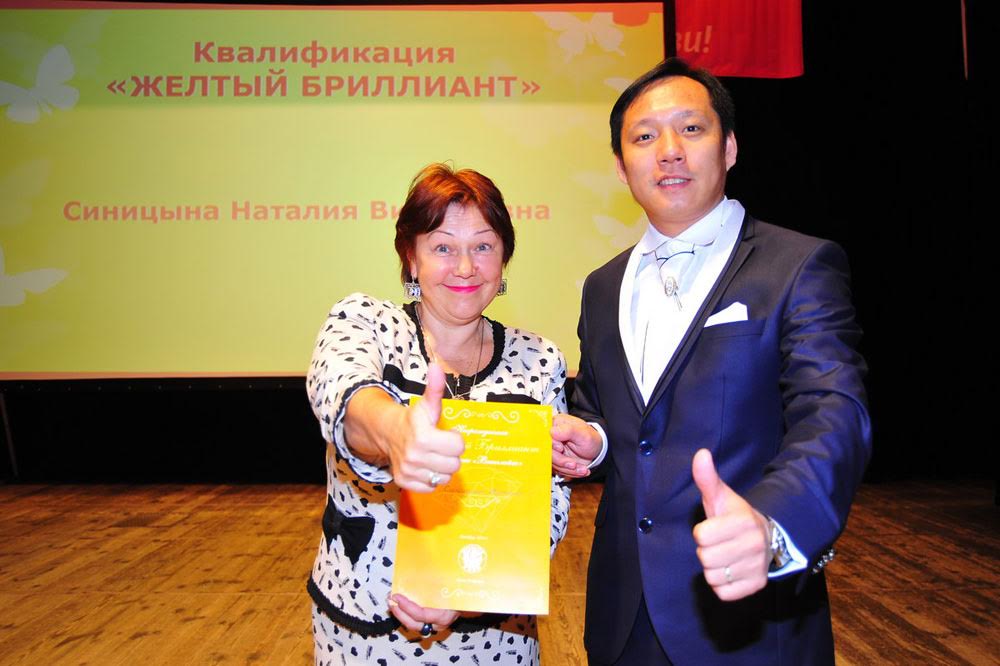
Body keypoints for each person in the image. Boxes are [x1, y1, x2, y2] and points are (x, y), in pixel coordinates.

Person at [551, 58, 872, 665]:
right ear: (621, 167)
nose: (669, 150)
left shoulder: (798, 265)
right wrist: (593, 441)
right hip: (623, 620)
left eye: (691, 129)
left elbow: (834, 414)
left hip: (751, 618)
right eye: (645, 136)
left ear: (729, 148)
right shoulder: (601, 286)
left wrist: (772, 526)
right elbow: (610, 415)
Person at [306, 163, 571, 665]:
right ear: (411, 258)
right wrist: (394, 431)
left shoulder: (540, 360)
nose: (466, 267)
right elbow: (341, 394)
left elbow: (550, 500)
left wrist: (469, 592)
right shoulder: (365, 323)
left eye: (483, 246)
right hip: (364, 633)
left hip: (497, 637)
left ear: (504, 257)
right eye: (443, 247)